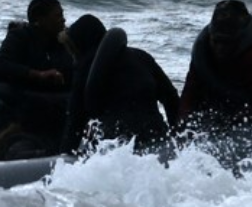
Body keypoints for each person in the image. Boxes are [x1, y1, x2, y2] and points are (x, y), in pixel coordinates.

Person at [60, 14, 179, 155]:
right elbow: (171, 98)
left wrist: (64, 158)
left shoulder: (86, 70)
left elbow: (75, 122)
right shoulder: (141, 56)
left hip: (118, 148)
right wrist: (177, 137)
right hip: (158, 137)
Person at [178, 0, 252, 134]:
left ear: (238, 39)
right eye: (216, 41)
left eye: (226, 42)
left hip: (247, 112)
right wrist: (185, 123)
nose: (219, 48)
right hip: (215, 110)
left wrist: (238, 119)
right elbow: (189, 94)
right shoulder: (202, 55)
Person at [0, 0, 73, 157]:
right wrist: (38, 75)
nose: (63, 20)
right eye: (58, 15)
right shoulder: (20, 37)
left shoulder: (63, 43)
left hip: (56, 112)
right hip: (22, 113)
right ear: (40, 19)